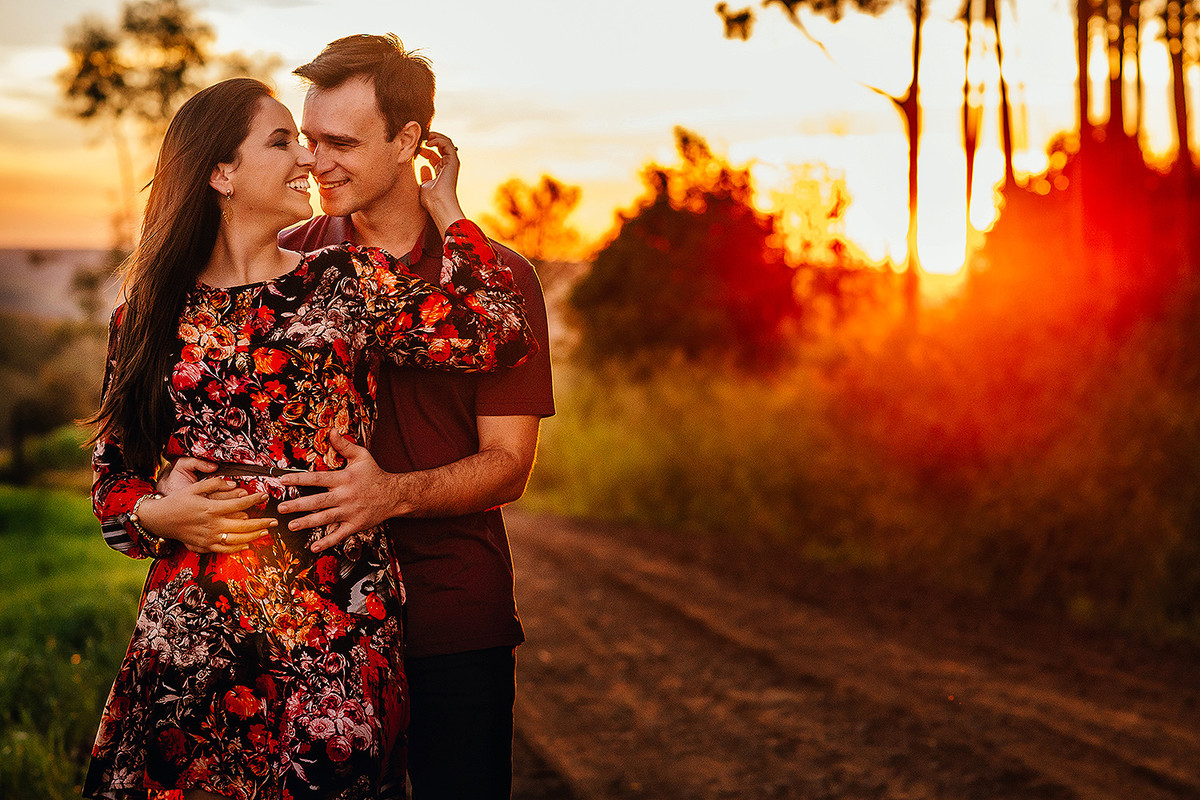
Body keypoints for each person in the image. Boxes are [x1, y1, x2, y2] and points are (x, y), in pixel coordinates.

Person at [84, 76, 533, 800]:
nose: (308, 160)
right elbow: (112, 480)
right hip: (194, 630)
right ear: (221, 173)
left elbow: (498, 333)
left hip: (338, 621)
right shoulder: (146, 315)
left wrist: (447, 209)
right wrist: (156, 515)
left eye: (311, 140)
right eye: (283, 140)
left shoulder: (346, 281)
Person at [275, 34, 555, 799]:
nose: (315, 163)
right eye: (307, 140)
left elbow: (509, 465)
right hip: (313, 617)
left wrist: (388, 493)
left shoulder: (500, 280)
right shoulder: (285, 264)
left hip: (453, 620)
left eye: (340, 142)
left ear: (409, 141)